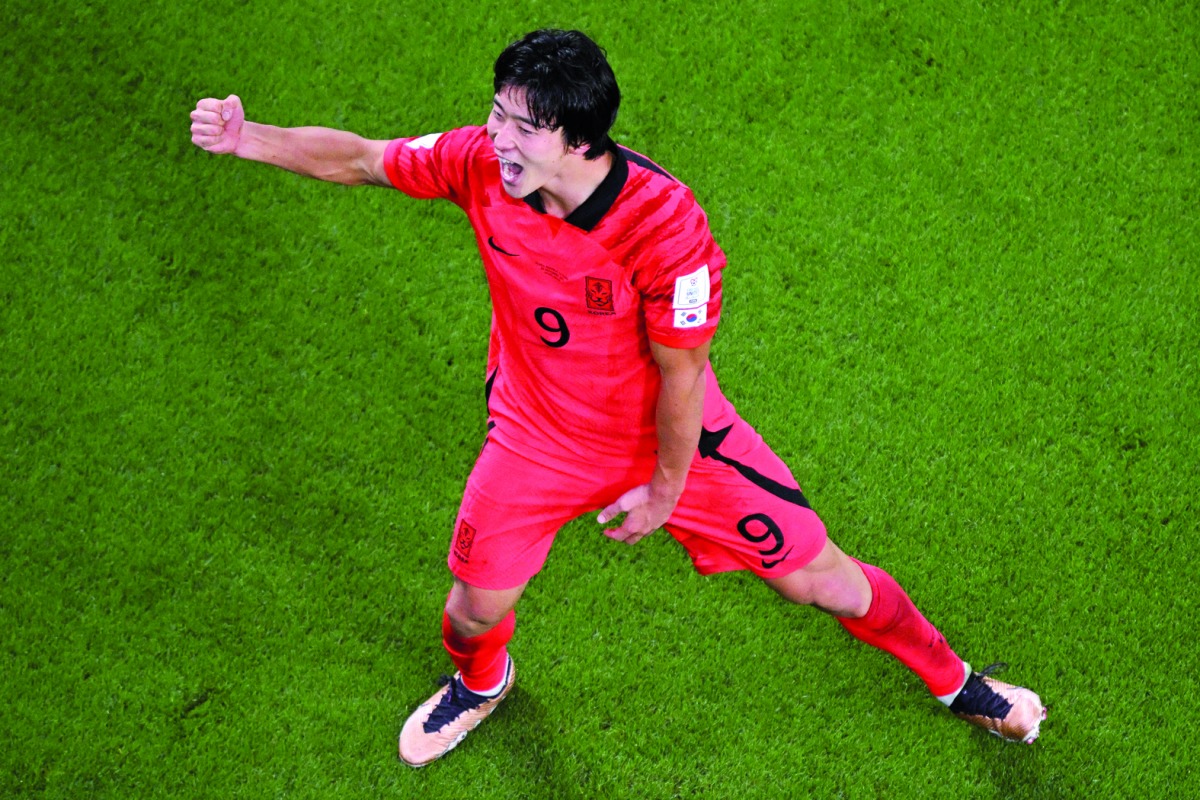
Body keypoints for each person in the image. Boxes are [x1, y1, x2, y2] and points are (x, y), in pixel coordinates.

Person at [190, 28, 1046, 766]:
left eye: (520, 127)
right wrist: (247, 138)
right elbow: (366, 158)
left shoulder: (668, 232)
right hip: (535, 436)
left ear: (579, 138)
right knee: (470, 608)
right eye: (496, 114)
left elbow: (681, 379)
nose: (497, 139)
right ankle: (483, 683)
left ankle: (958, 682)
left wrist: (666, 489)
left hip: (676, 444)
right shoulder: (482, 166)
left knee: (822, 581)